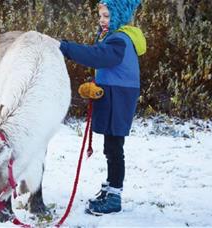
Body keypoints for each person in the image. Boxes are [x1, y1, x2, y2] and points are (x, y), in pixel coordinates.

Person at [59, 0, 146, 215]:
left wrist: (65, 47)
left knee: (115, 148)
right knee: (110, 146)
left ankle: (114, 196)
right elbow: (100, 56)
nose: (102, 20)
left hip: (119, 96)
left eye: (107, 16)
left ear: (118, 17)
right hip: (114, 93)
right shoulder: (113, 38)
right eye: (101, 16)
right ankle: (110, 188)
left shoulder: (120, 39)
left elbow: (98, 56)